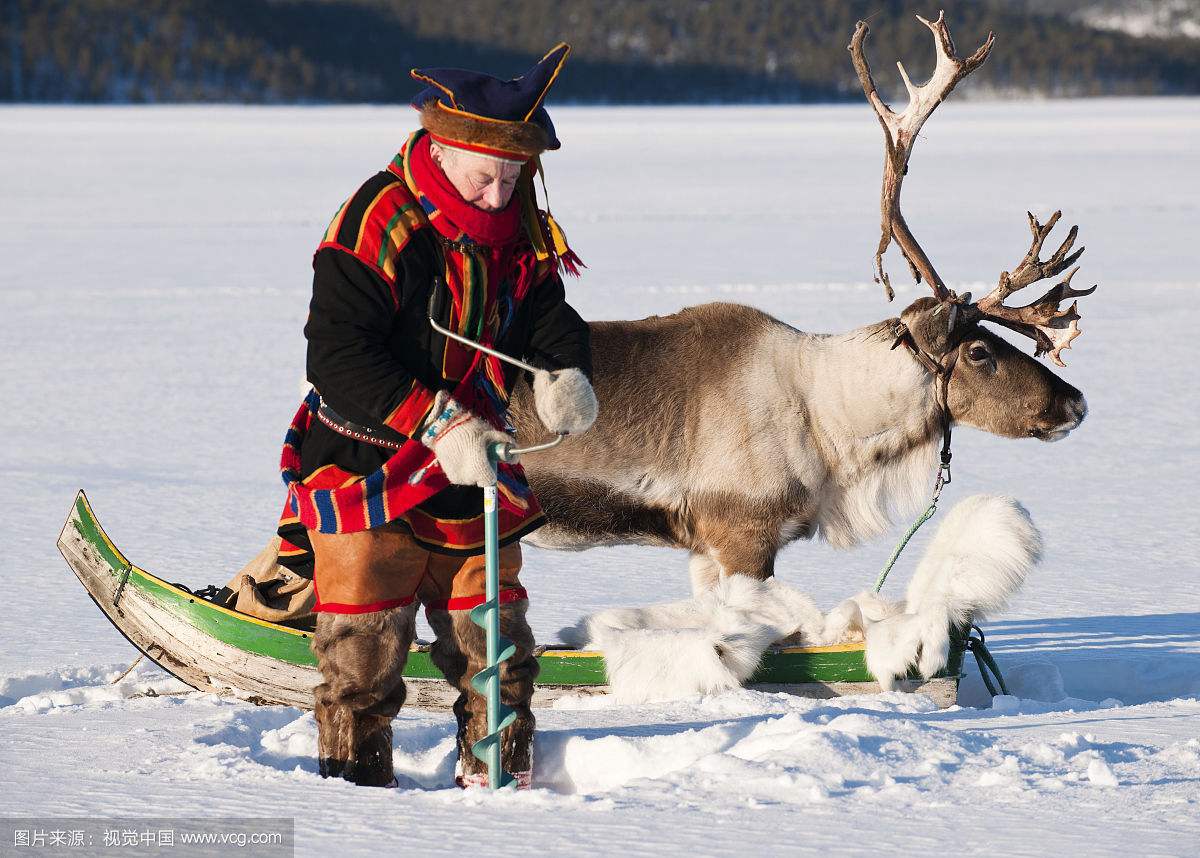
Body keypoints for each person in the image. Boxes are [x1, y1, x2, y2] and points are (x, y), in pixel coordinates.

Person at [275, 43, 596, 789]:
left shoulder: (518, 221)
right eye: (487, 177)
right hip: (367, 455)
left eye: (513, 179)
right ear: (445, 152)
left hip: (474, 461)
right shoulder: (376, 217)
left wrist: (565, 369)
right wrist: (438, 423)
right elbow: (337, 356)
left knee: (498, 648)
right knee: (362, 656)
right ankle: (352, 797)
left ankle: (501, 784)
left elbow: (547, 310)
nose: (498, 196)